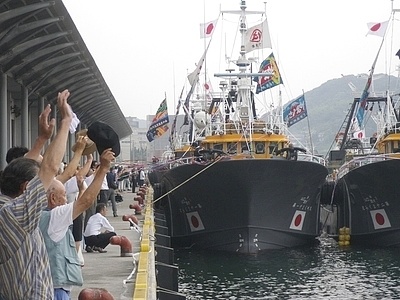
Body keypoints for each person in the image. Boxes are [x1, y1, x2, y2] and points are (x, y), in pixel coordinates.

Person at [0, 89, 72, 299]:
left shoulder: (6, 206)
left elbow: (18, 169)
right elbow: (49, 167)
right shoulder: (14, 215)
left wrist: (41, 139)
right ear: (25, 188)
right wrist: (65, 121)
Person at [39, 148, 114, 299]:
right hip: (56, 289)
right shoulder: (53, 217)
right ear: (53, 199)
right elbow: (85, 201)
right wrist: (103, 169)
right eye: (64, 196)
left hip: (48, 285)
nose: (66, 200)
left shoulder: (37, 215)